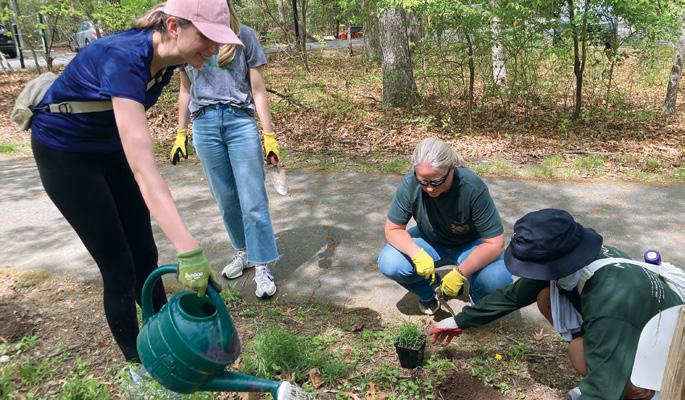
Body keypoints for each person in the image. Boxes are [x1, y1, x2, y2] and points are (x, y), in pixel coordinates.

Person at [29, 0, 242, 362]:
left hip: (109, 148)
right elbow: (145, 171)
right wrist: (189, 249)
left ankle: (163, 345)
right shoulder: (124, 57)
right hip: (66, 155)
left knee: (145, 254)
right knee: (118, 266)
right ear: (173, 27)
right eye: (206, 36)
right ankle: (137, 364)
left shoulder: (169, 62)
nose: (213, 47)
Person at [429, 208, 683, 400]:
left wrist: (593, 390)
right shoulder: (575, 259)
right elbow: (514, 295)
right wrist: (459, 321)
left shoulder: (610, 302)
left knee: (584, 359)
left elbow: (602, 390)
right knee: (545, 297)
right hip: (636, 326)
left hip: (670, 355)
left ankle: (646, 392)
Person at [173, 0, 280, 298]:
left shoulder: (245, 36)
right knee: (225, 198)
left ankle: (261, 264)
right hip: (204, 124)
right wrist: (180, 132)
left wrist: (269, 135)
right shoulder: (188, 37)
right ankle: (243, 251)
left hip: (239, 121)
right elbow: (185, 88)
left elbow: (258, 89)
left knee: (253, 200)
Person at [378, 137, 513, 315]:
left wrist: (461, 273)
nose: (430, 188)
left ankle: (476, 300)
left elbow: (495, 243)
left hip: (470, 244)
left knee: (497, 279)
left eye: (436, 181)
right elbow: (393, 229)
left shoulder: (472, 187)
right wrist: (416, 253)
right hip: (430, 239)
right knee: (390, 262)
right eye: (423, 181)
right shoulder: (410, 184)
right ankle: (430, 292)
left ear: (452, 168)